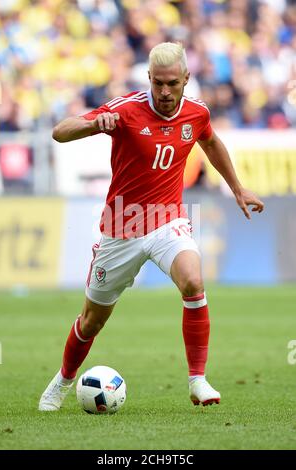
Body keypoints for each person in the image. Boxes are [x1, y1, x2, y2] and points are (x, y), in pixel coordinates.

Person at [39, 43, 264, 411]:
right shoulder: (126, 109)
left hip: (167, 221)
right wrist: (95, 123)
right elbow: (60, 132)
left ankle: (198, 380)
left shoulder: (196, 113)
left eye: (172, 83)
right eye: (157, 83)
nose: (164, 92)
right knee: (91, 321)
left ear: (186, 79)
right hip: (121, 226)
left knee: (193, 279)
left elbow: (211, 142)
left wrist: (237, 188)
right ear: (148, 79)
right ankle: (63, 380)